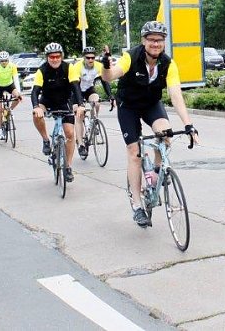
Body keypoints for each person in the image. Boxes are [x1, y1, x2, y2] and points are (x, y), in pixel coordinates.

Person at [101, 21, 199, 227]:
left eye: (160, 40)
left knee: (166, 134)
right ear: (144, 41)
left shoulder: (168, 63)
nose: (156, 44)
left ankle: (155, 171)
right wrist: (106, 66)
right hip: (128, 106)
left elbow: (176, 95)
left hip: (151, 104)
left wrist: (188, 125)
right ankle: (137, 205)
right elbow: (109, 76)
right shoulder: (131, 57)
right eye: (151, 39)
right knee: (134, 152)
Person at [31, 42, 81, 182]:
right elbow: (35, 91)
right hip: (47, 101)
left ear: (61, 56)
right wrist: (36, 107)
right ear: (47, 57)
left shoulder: (68, 68)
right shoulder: (42, 70)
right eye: (52, 57)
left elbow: (76, 87)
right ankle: (46, 140)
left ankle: (68, 167)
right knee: (36, 114)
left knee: (70, 134)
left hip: (65, 101)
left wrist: (80, 105)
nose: (55, 59)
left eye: (57, 56)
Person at [70, 46, 113, 158]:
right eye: (88, 58)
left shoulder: (98, 66)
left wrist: (111, 96)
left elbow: (104, 81)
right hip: (77, 91)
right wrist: (80, 104)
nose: (90, 60)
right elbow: (75, 86)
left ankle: (94, 121)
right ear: (84, 58)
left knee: (96, 102)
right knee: (79, 115)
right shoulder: (77, 67)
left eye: (92, 58)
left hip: (89, 89)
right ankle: (80, 144)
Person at [0, 50, 23, 140]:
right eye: (2, 61)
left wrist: (19, 92)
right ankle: (0, 131)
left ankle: (10, 109)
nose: (4, 62)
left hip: (10, 85)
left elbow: (16, 79)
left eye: (5, 60)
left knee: (18, 97)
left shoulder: (12, 66)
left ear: (8, 60)